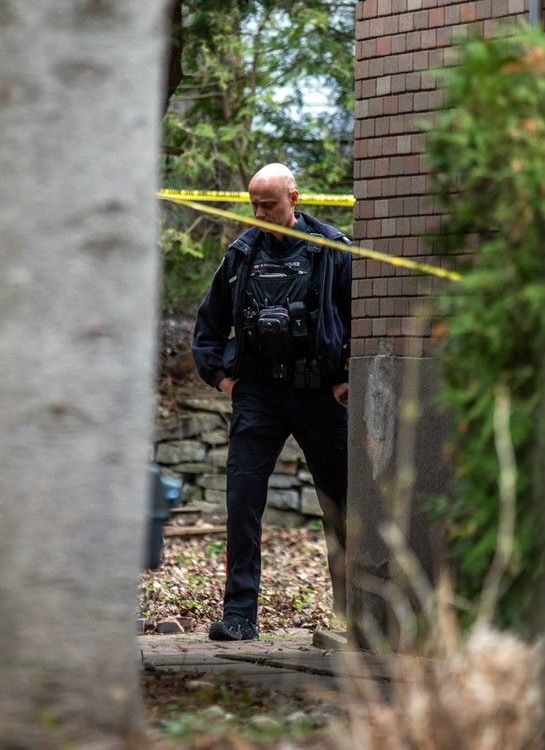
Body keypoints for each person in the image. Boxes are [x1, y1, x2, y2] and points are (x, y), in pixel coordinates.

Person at [192, 163, 351, 641]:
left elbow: (359, 318)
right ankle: (240, 616)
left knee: (341, 502)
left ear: (294, 198)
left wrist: (346, 377)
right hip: (257, 393)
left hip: (320, 393)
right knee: (243, 501)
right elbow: (208, 330)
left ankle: (357, 616)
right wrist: (225, 381)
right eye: (254, 204)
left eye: (269, 204)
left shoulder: (332, 251)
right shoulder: (240, 256)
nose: (260, 212)